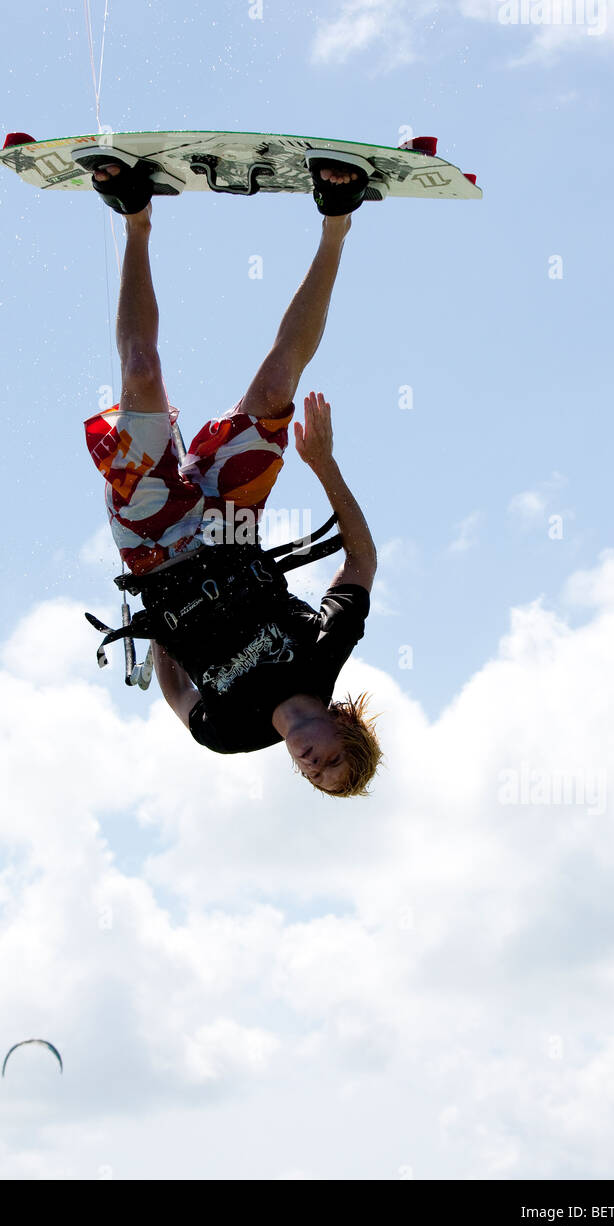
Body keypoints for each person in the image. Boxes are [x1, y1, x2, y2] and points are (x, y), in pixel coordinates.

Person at [82, 154, 382, 796]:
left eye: (311, 775)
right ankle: (337, 222)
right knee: (277, 385)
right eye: (330, 760)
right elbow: (361, 562)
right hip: (229, 525)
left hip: (153, 543)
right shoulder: (325, 654)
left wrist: (161, 628)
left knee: (140, 371)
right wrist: (324, 466)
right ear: (342, 730)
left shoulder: (231, 733)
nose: (310, 761)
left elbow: (178, 697)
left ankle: (135, 216)